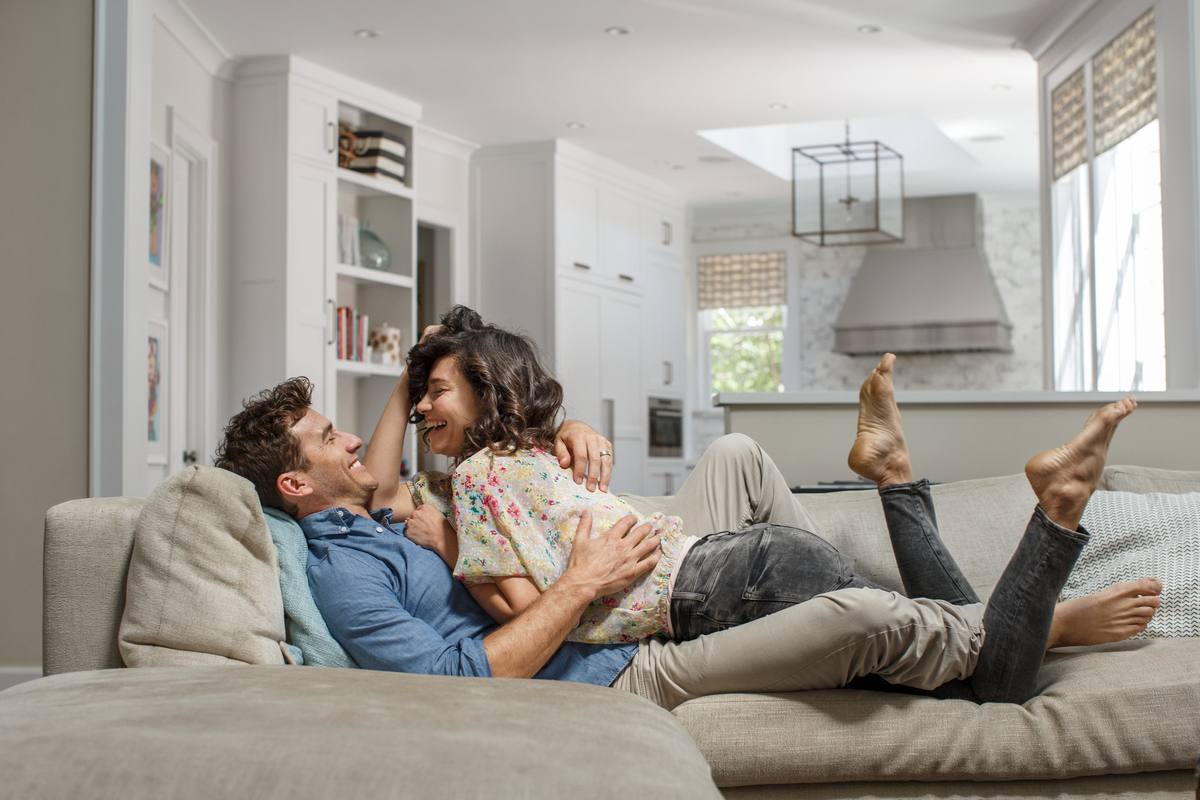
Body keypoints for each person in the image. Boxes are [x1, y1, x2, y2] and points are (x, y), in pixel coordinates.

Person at [212, 339, 1159, 710]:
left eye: (431, 399)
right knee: (876, 625)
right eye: (325, 437)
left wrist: (563, 428)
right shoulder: (350, 564)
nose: (363, 439)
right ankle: (1017, 591)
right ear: (295, 485)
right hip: (612, 655)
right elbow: (453, 681)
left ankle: (974, 601)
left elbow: (447, 470)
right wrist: (579, 581)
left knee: (739, 457)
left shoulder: (401, 509)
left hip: (638, 585)